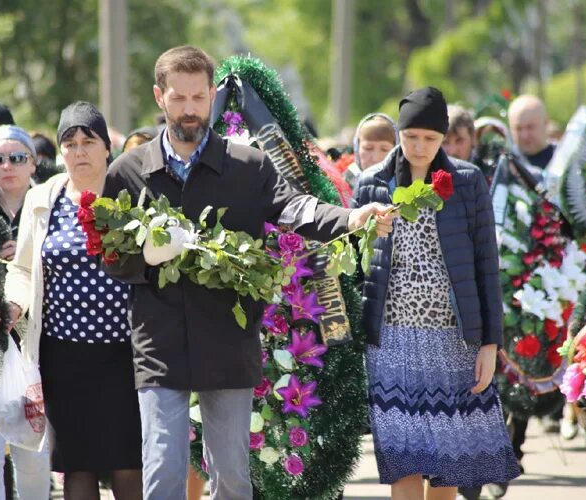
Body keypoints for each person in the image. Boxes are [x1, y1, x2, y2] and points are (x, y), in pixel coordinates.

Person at [101, 45, 394, 500]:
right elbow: (111, 258)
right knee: (161, 471)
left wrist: (350, 218)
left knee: (233, 478)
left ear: (213, 94)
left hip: (227, 341)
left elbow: (294, 206)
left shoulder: (247, 166)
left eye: (199, 98)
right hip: (159, 345)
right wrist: (148, 257)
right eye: (179, 98)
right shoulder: (128, 172)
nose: (190, 109)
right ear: (160, 97)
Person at [354, 87, 520, 500]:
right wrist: (363, 231)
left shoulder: (466, 181)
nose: (419, 147)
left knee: (447, 464)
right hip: (389, 339)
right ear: (399, 133)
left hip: (453, 338)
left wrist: (489, 343)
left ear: (443, 137)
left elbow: (486, 267)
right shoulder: (372, 183)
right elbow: (355, 265)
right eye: (410, 137)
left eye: (430, 139)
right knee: (401, 457)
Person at [4, 101, 143, 500]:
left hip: (126, 357)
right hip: (63, 357)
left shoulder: (130, 196)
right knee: (75, 467)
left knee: (128, 467)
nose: (79, 151)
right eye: (70, 142)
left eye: (89, 141)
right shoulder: (43, 198)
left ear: (106, 148)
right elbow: (24, 268)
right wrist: (15, 304)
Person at [0, 125, 52, 500]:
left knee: (32, 448)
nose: (7, 166)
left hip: (38, 344)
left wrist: (26, 253)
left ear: (33, 163)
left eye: (17, 157)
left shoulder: (50, 208)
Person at [508, 95, 555, 169]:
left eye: (530, 127)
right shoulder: (506, 165)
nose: (524, 135)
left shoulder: (562, 161)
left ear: (546, 123)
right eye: (518, 129)